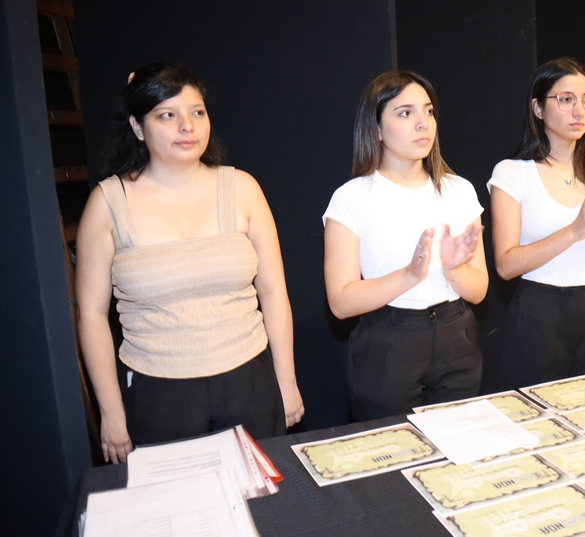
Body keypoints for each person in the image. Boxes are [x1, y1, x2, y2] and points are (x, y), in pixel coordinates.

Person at [76, 62, 303, 464]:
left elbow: (273, 292)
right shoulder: (108, 203)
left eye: (197, 112)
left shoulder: (243, 188)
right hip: (158, 393)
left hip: (249, 382)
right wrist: (110, 412)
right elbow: (92, 315)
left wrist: (286, 380)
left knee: (267, 497)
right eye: (167, 115)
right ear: (138, 127)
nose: (187, 126)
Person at [323, 69, 488, 421]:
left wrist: (452, 269)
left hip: (456, 337)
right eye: (405, 113)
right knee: (393, 449)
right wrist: (411, 274)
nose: (422, 123)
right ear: (376, 129)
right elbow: (340, 302)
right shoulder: (352, 198)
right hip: (388, 342)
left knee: (457, 444)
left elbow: (480, 290)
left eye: (428, 111)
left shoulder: (459, 190)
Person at [488, 57, 585, 389]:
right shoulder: (512, 173)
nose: (580, 111)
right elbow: (506, 265)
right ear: (538, 108)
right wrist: (575, 229)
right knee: (537, 413)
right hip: (538, 311)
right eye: (566, 99)